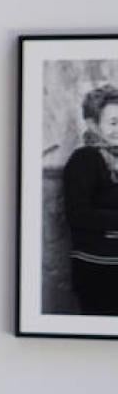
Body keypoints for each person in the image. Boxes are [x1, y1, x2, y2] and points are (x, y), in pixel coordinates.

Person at [62, 82, 118, 315]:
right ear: (94, 124)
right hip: (99, 271)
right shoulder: (84, 159)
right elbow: (78, 215)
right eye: (114, 123)